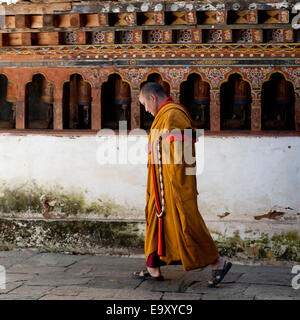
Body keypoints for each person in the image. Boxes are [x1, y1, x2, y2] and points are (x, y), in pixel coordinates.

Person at [132, 82, 232, 287]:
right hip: (161, 184)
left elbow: (185, 144)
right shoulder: (164, 115)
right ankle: (153, 268)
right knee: (155, 220)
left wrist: (155, 146)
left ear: (153, 98)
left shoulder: (172, 113)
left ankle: (218, 262)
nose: (146, 110)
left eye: (144, 104)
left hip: (175, 183)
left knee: (187, 224)